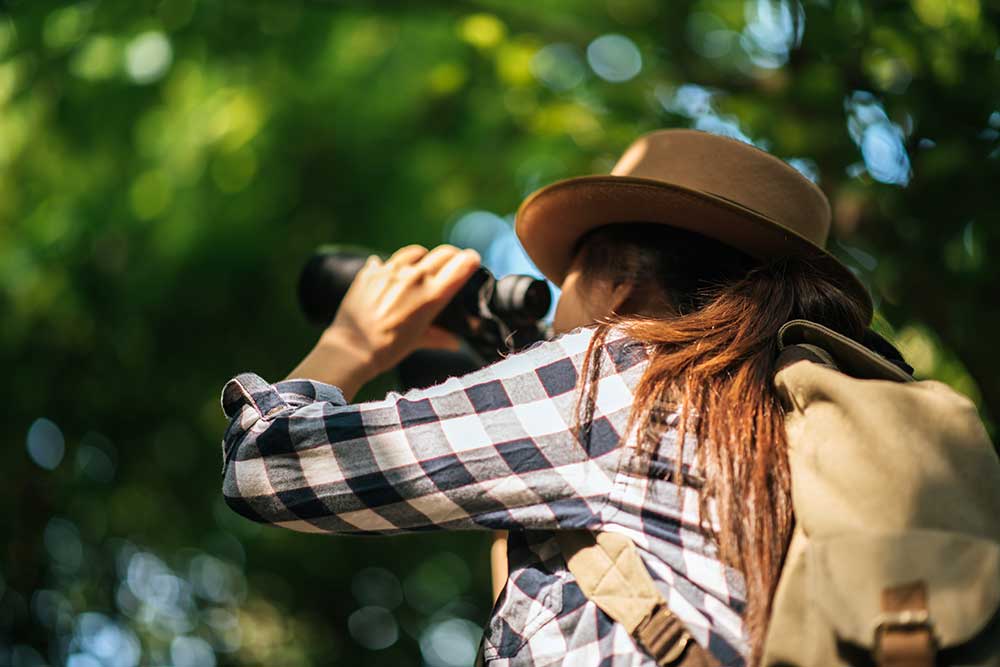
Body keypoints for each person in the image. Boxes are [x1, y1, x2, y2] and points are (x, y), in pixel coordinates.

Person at [218, 129, 878, 666]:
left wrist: (355, 341)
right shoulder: (784, 419)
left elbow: (262, 467)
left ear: (619, 280)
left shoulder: (623, 376)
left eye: (566, 278)